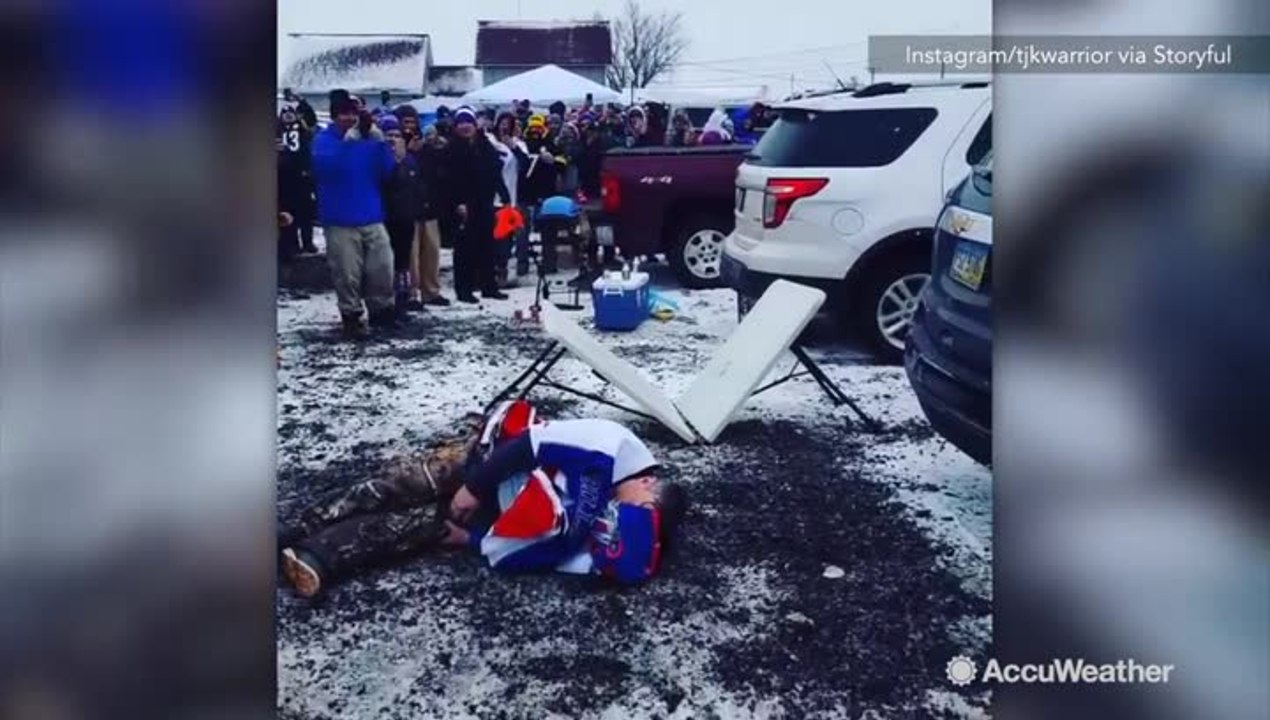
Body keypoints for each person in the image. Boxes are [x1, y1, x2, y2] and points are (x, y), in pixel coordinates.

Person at [278, 404, 688, 598]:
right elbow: (530, 444)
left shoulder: (620, 536)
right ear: (649, 484)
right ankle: (300, 525)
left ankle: (316, 556)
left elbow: (551, 555)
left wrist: (471, 541)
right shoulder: (612, 445)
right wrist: (472, 487)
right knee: (402, 483)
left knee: (420, 528)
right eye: (636, 507)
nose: (616, 515)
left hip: (504, 511)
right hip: (490, 461)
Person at [311, 91, 399, 338]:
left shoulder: (367, 139)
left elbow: (386, 172)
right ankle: (351, 316)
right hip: (340, 219)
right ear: (335, 115)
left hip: (371, 214)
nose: (349, 118)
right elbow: (327, 168)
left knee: (382, 267)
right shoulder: (323, 140)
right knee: (347, 273)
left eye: (353, 113)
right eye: (344, 113)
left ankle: (382, 310)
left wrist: (379, 143)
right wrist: (349, 145)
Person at [438, 107, 512, 303]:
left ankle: (489, 285)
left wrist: (503, 195)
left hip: (485, 202)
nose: (465, 126)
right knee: (465, 249)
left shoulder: (485, 144)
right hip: (463, 205)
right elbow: (447, 180)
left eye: (468, 122)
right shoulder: (451, 149)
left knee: (488, 247)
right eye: (461, 123)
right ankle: (464, 290)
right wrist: (456, 203)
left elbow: (495, 170)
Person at [376, 114, 425, 317]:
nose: (392, 139)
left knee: (403, 259)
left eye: (396, 135)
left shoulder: (410, 160)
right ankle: (385, 298)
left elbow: (415, 185)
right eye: (388, 135)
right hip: (383, 216)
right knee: (385, 260)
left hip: (405, 216)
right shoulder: (377, 160)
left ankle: (403, 294)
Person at [410, 124, 450, 306]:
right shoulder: (401, 154)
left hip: (430, 208)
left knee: (432, 252)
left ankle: (431, 291)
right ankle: (411, 292)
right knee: (411, 254)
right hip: (408, 211)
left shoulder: (432, 153)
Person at [489, 111, 529, 287]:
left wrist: (513, 146)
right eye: (502, 122)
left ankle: (502, 271)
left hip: (508, 199)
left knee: (504, 238)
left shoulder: (518, 144)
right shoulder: (489, 141)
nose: (504, 126)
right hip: (489, 197)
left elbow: (526, 167)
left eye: (508, 123)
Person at [276, 106, 317, 262]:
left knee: (306, 213)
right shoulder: (276, 131)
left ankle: (308, 242)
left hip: (302, 178)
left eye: (290, 113)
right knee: (288, 213)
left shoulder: (304, 132)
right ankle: (292, 244)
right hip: (284, 178)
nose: (287, 116)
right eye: (284, 113)